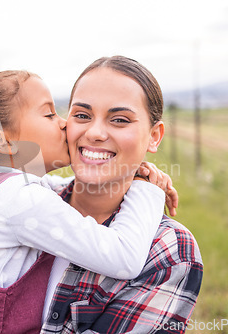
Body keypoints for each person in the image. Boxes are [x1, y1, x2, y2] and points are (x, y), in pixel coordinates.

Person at [0, 70, 178, 333]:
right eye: (50, 115)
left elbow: (47, 189)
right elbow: (123, 258)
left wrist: (125, 175)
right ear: (4, 142)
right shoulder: (19, 201)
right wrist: (147, 189)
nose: (65, 123)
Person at [38, 56, 203, 333]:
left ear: (154, 136)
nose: (95, 132)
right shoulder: (31, 199)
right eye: (82, 115)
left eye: (119, 120)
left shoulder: (169, 251)